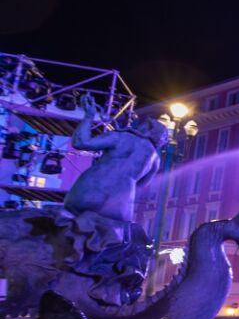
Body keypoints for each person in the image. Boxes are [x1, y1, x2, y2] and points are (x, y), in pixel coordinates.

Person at [65, 93, 166, 224]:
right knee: (112, 232)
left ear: (147, 130)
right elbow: (142, 184)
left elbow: (81, 142)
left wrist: (89, 116)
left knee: (66, 223)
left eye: (143, 125)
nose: (138, 126)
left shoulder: (122, 137)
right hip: (121, 203)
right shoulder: (156, 160)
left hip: (93, 188)